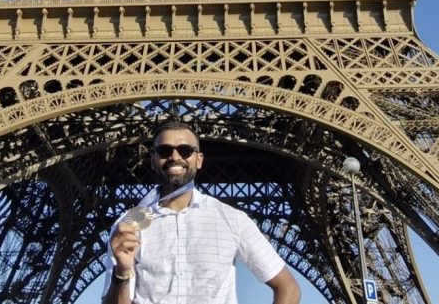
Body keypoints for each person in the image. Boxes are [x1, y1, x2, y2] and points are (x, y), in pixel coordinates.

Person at [102, 121, 301, 304]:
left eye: (185, 150)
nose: (175, 157)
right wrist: (122, 271)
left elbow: (288, 287)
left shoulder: (232, 219)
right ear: (153, 159)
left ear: (199, 159)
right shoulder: (128, 226)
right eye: (164, 151)